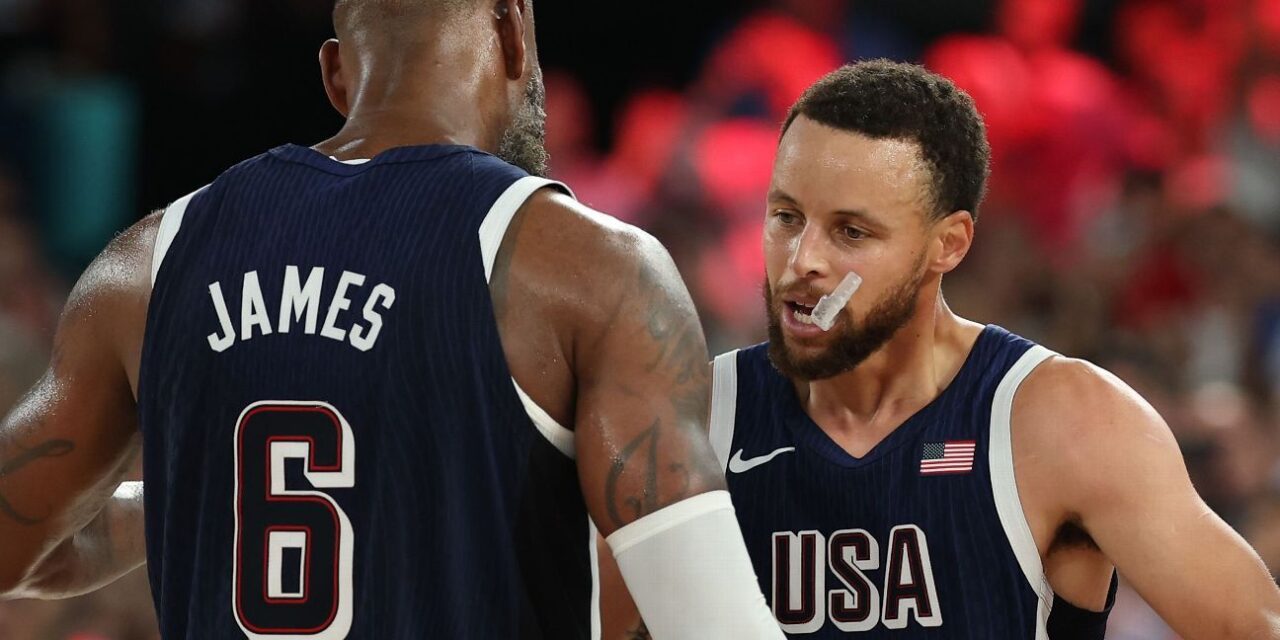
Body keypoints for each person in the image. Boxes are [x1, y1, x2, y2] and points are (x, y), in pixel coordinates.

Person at [0, 1, 784, 638]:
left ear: (336, 75)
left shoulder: (148, 265)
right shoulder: (591, 269)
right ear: (515, 33)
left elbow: (16, 547)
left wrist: (200, 499)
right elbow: (711, 622)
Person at [608, 60, 1280, 638]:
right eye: (786, 217)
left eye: (850, 232)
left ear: (948, 245)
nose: (801, 260)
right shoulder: (688, 421)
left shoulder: (1062, 421)